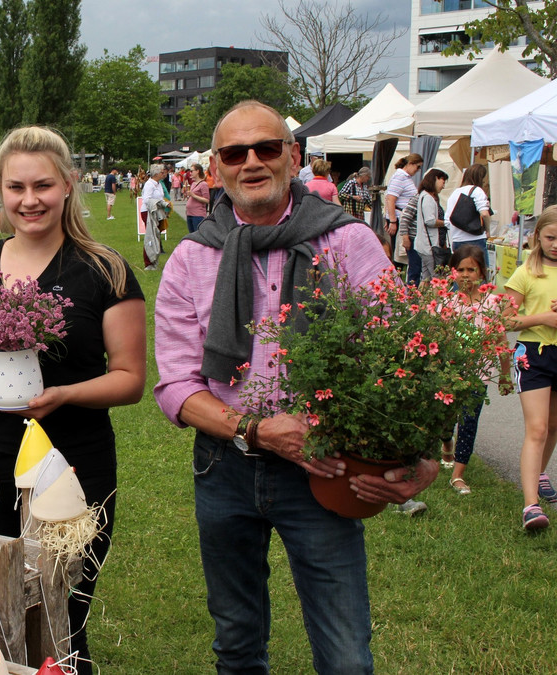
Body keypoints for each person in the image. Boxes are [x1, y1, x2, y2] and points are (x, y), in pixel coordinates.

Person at [153, 101, 438, 673]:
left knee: (345, 654)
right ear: (217, 168)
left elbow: (402, 353)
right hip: (226, 466)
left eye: (266, 148)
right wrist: (257, 430)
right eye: (235, 152)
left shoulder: (348, 242)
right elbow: (177, 387)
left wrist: (422, 453)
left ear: (293, 155)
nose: (251, 162)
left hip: (327, 463)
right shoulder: (191, 258)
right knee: (236, 643)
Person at [0, 125, 146, 674]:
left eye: (42, 185)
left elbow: (129, 379)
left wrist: (65, 393)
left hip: (69, 470)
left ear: (68, 184)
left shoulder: (104, 270)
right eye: (16, 187)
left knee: (58, 617)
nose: (30, 200)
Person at [442, 245, 513, 493]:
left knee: (469, 421)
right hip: (449, 373)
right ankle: (446, 442)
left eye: (471, 270)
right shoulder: (448, 303)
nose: (465, 275)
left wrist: (505, 375)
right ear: (452, 273)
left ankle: (458, 475)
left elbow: (501, 341)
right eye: (460, 269)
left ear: (482, 273)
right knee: (444, 419)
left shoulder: (492, 304)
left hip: (478, 375)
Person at [504, 205, 557, 530]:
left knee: (553, 425)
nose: (556, 245)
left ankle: (538, 473)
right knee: (537, 428)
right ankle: (530, 506)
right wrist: (544, 318)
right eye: (551, 237)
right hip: (534, 354)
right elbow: (504, 319)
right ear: (537, 236)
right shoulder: (525, 272)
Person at [385, 153, 424, 283]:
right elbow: (390, 199)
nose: (418, 170)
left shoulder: (405, 177)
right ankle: (396, 283)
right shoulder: (400, 177)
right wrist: (392, 221)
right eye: (417, 167)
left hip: (400, 217)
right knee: (399, 255)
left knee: (402, 255)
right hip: (399, 218)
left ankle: (398, 282)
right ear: (410, 164)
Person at [407, 168, 449, 283]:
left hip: (423, 245)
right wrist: (446, 223)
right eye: (443, 181)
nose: (443, 186)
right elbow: (430, 221)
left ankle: (420, 295)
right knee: (437, 279)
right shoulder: (428, 198)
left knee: (425, 278)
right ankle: (437, 295)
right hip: (428, 246)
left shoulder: (423, 195)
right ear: (436, 179)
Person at [445, 163, 492, 257]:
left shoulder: (455, 193)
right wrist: (488, 230)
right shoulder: (477, 191)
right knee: (479, 266)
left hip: (457, 240)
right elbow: (484, 214)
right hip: (475, 240)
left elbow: (447, 221)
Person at [140, 163, 167, 270]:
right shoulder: (149, 185)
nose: (163, 174)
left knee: (156, 236)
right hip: (148, 212)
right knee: (150, 236)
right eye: (161, 172)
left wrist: (164, 203)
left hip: (156, 212)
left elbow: (160, 197)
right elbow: (146, 200)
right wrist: (160, 203)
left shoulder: (158, 184)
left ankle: (154, 260)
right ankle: (148, 262)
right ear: (156, 174)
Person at [185, 162, 209, 234]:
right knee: (192, 235)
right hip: (190, 213)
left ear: (197, 171)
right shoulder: (193, 183)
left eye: (192, 171)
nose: (190, 173)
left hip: (198, 215)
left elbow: (207, 200)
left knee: (198, 235)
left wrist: (193, 195)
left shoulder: (203, 184)